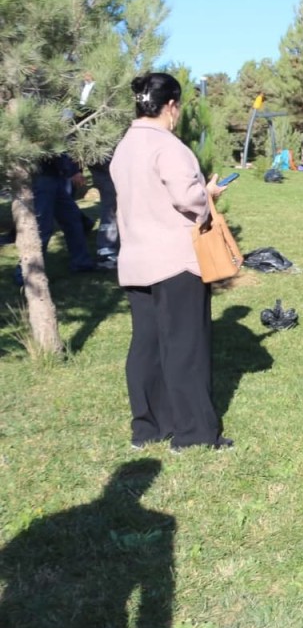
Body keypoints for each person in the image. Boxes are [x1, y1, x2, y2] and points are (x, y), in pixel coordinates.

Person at [111, 72, 231, 451]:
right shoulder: (169, 147)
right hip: (175, 260)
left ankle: (148, 427)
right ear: (172, 106)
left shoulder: (124, 146)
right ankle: (192, 433)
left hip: (135, 258)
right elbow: (187, 197)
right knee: (185, 347)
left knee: (145, 345)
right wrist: (208, 194)